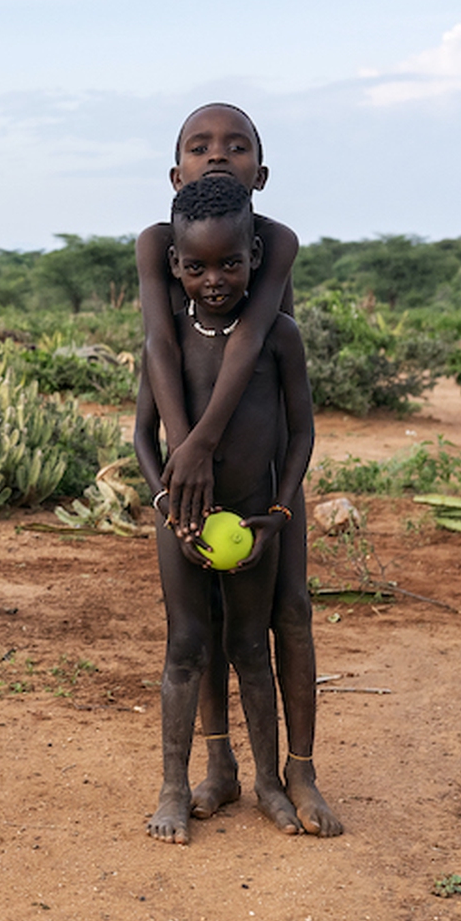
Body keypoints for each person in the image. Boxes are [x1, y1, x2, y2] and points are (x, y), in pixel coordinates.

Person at [134, 102, 341, 838]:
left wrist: (197, 447)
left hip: (267, 472)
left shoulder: (275, 241)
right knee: (201, 630)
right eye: (199, 147)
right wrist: (181, 463)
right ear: (175, 174)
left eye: (235, 146)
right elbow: (160, 346)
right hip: (189, 478)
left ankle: (297, 772)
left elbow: (251, 339)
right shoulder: (158, 243)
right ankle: (217, 766)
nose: (217, 156)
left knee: (287, 615)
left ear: (262, 170)